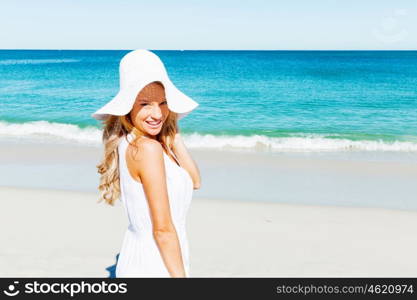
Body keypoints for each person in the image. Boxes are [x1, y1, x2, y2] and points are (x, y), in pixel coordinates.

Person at [91, 49, 201, 277]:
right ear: (128, 108)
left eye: (163, 103)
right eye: (144, 104)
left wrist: (173, 135)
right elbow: (162, 230)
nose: (157, 113)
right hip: (155, 263)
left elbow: (195, 181)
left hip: (152, 258)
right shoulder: (147, 149)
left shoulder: (138, 142)